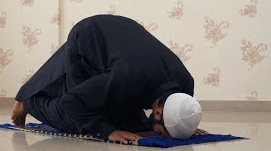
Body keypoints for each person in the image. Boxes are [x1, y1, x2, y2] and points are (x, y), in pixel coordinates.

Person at [11, 14, 208, 144]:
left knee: (132, 123)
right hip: (87, 39)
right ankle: (30, 101)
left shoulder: (185, 85)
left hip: (121, 33)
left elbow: (179, 111)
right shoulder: (127, 79)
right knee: (77, 119)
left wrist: (184, 125)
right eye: (166, 132)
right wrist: (106, 131)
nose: (166, 136)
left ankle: (28, 93)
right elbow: (73, 102)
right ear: (158, 110)